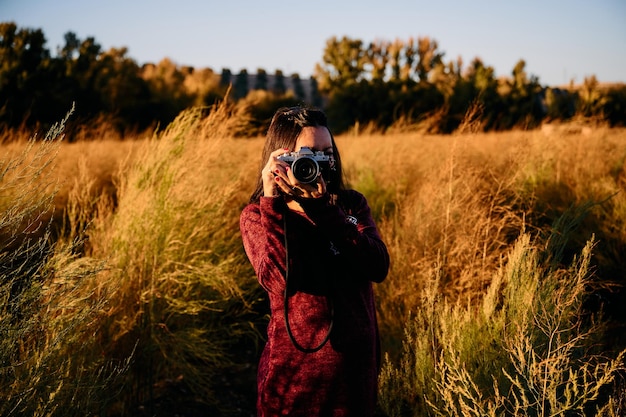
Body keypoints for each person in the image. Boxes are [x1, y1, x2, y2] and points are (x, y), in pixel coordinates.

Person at [239, 106, 390, 416]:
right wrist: (271, 201)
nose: (318, 163)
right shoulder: (258, 216)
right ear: (280, 160)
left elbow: (378, 266)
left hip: (355, 381)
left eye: (326, 152)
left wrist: (323, 208)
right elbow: (278, 280)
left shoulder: (350, 205)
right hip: (294, 385)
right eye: (307, 154)